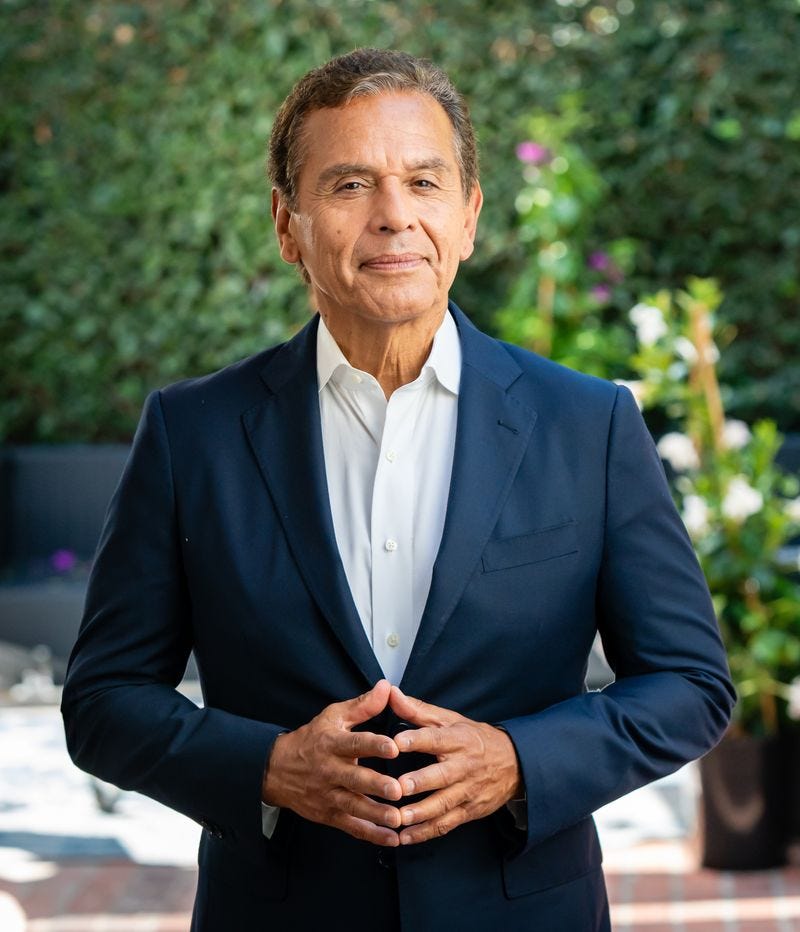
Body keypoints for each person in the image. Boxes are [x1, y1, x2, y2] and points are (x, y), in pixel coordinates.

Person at [62, 48, 735, 931]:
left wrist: (519, 762)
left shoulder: (589, 424)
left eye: (424, 182)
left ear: (469, 216)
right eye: (350, 185)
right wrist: (269, 767)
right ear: (287, 225)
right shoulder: (193, 434)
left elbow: (690, 684)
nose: (394, 216)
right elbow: (103, 702)